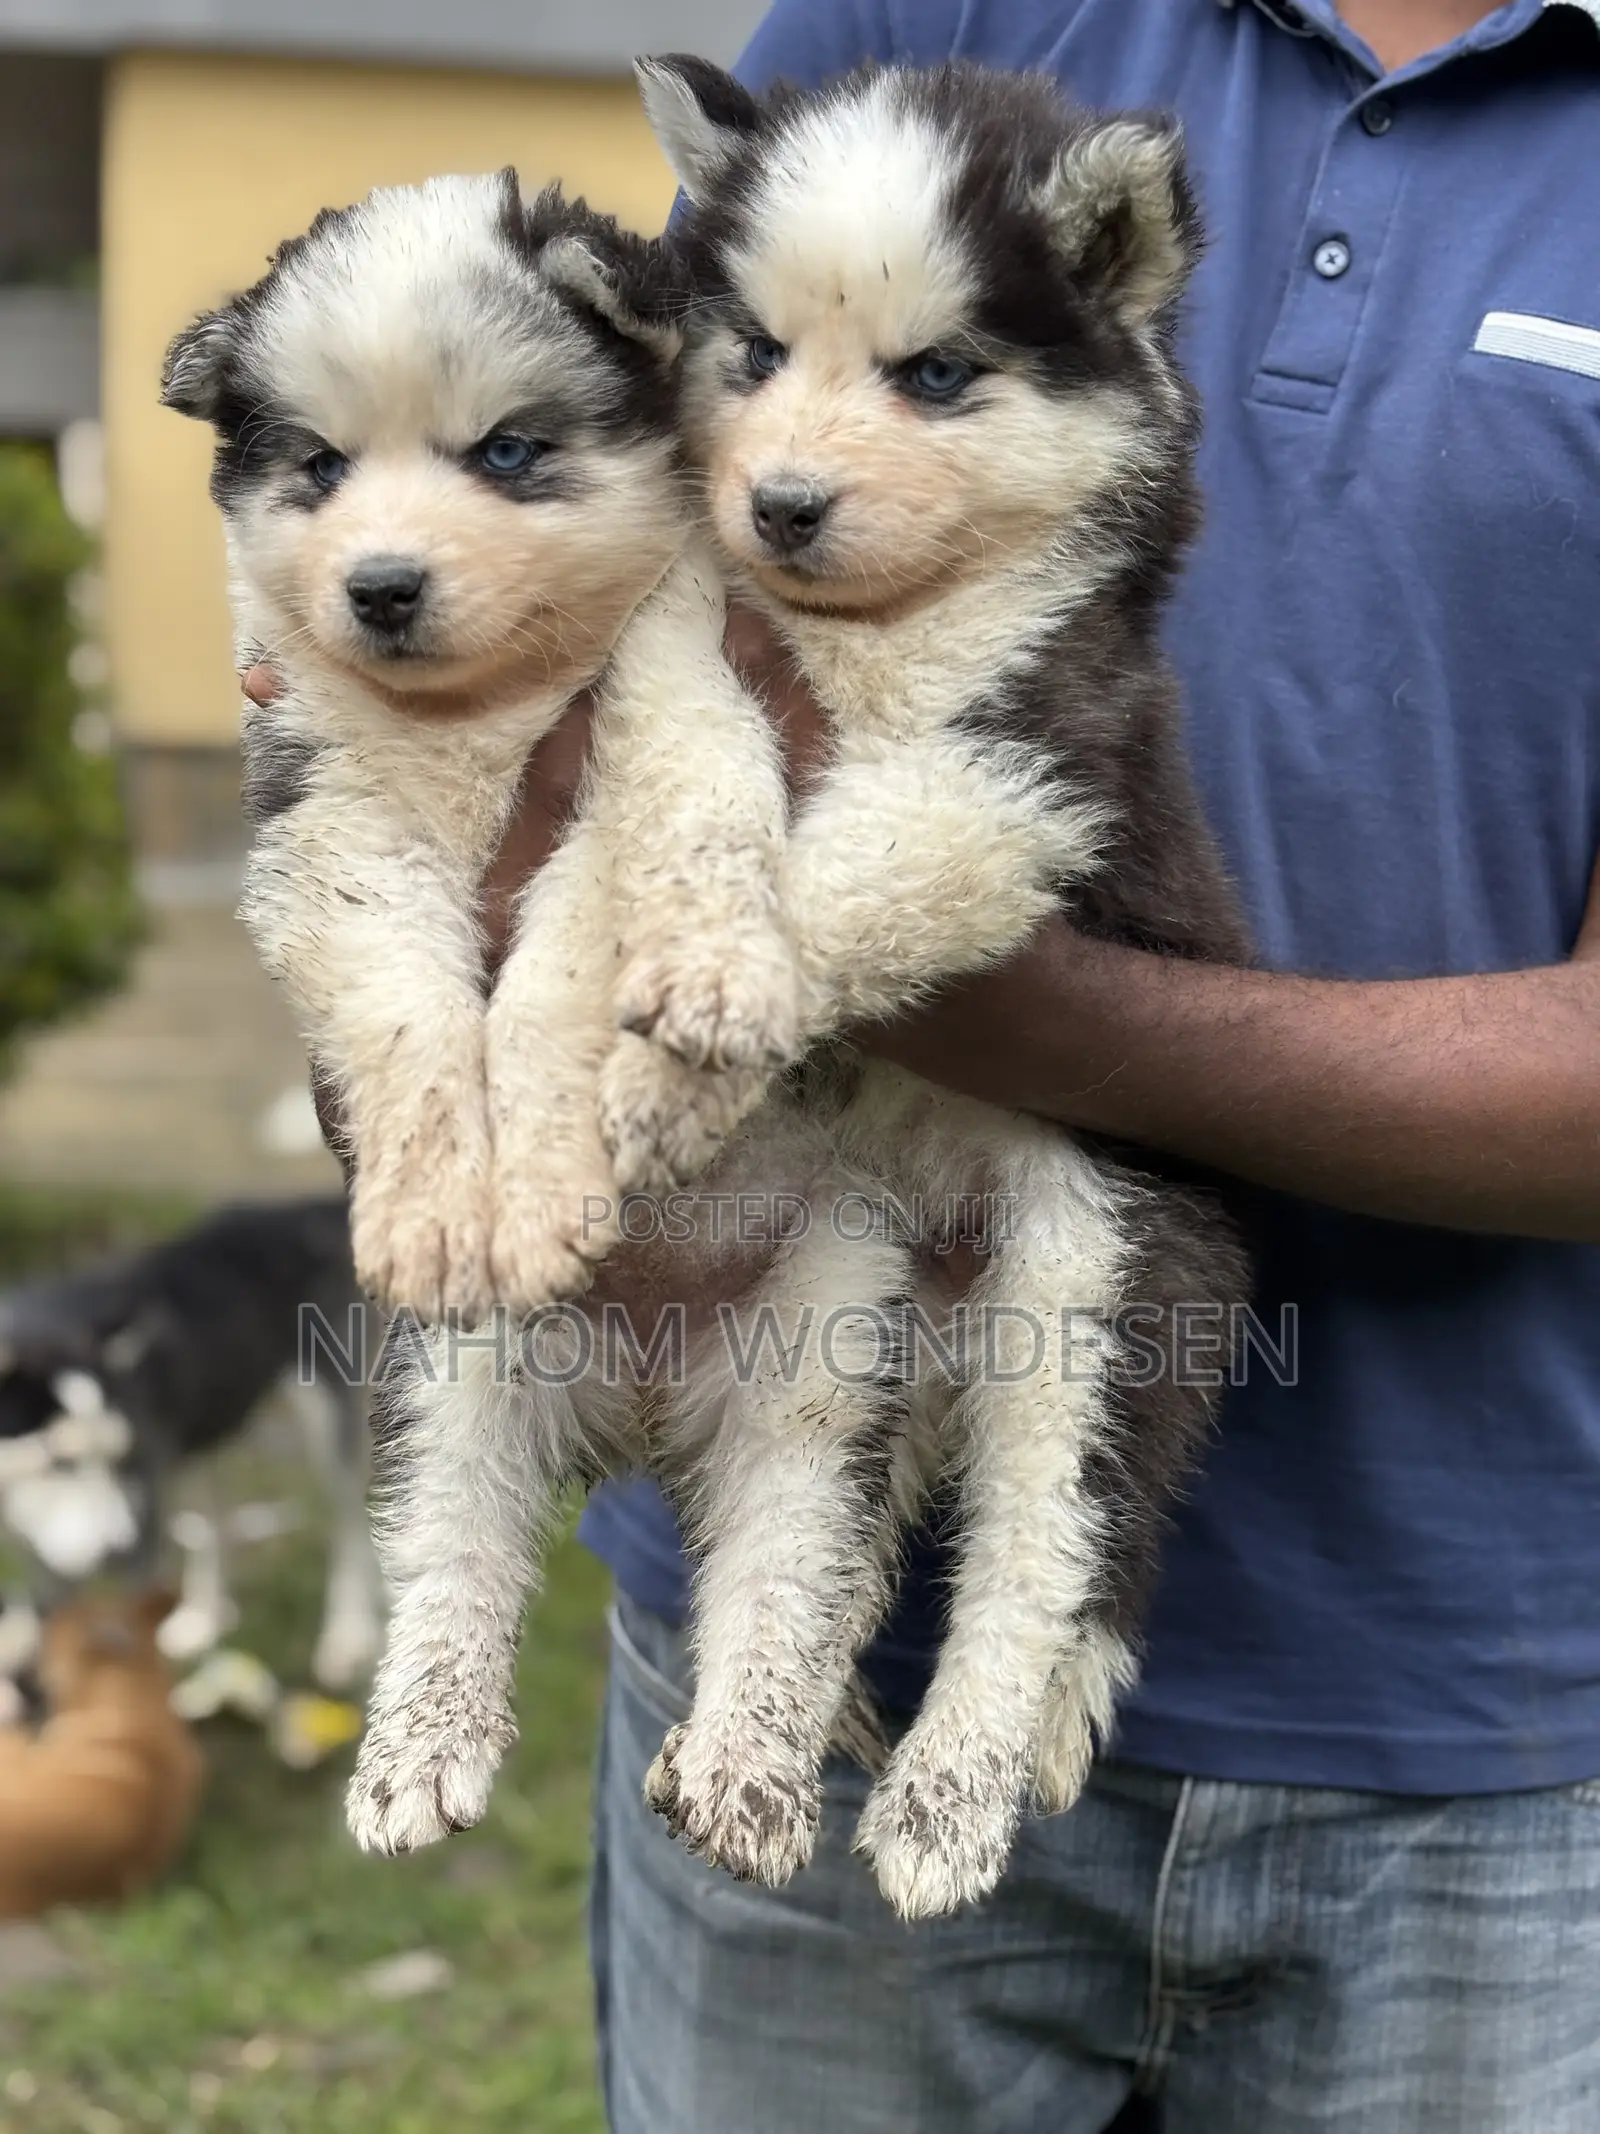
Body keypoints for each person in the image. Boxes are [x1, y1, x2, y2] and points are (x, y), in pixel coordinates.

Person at [259, 3, 1600, 2124]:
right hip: (776, 1547)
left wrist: (919, 996)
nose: (788, 453)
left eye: (917, 376)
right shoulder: (937, 17)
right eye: (765, 363)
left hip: (1492, 1707)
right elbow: (581, 504)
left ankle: (1020, 1649)